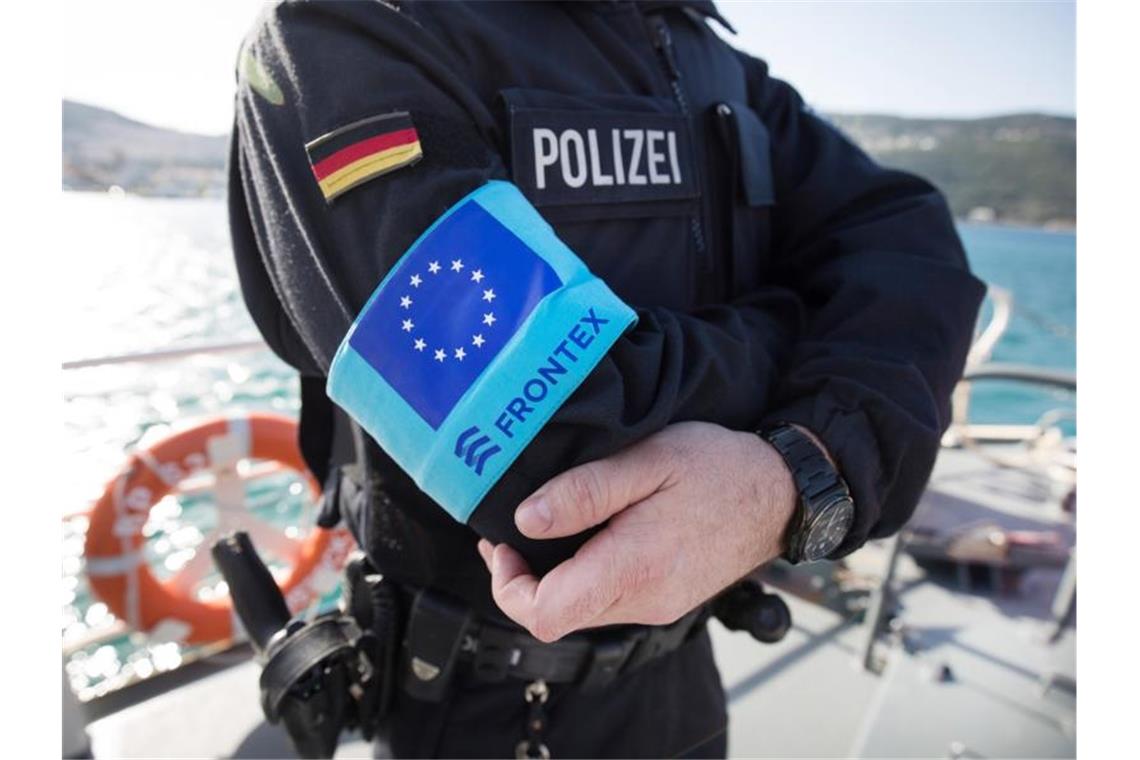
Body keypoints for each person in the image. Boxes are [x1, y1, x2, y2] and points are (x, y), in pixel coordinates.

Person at [227, 1, 985, 756]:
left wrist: (799, 466)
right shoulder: (350, 33)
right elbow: (548, 460)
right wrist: (804, 331)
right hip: (479, 708)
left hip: (683, 684)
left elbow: (915, 246)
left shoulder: (705, 54)